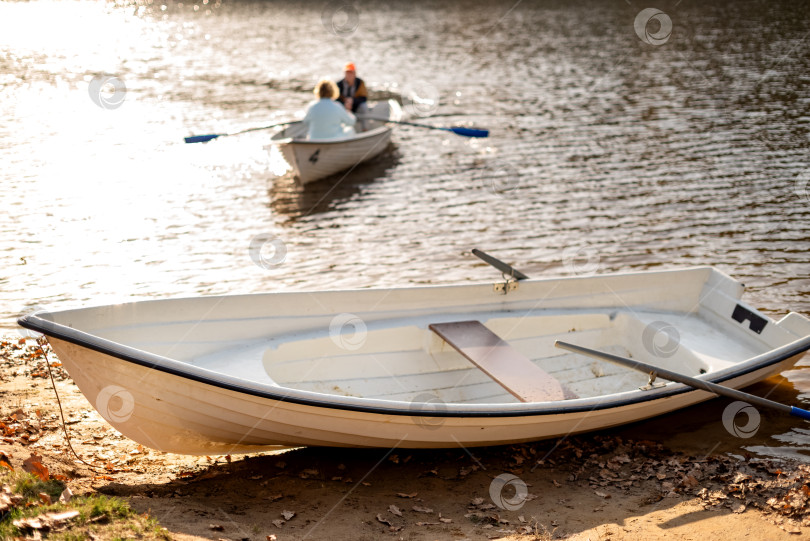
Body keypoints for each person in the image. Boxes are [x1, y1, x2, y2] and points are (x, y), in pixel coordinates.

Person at [336, 62, 368, 129]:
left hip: (356, 106)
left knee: (364, 106)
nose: (349, 75)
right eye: (347, 73)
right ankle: (338, 128)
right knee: (336, 106)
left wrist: (352, 101)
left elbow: (364, 98)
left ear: (355, 73)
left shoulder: (360, 83)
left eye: (351, 72)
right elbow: (335, 98)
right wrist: (345, 103)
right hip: (343, 107)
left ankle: (364, 128)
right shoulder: (339, 84)